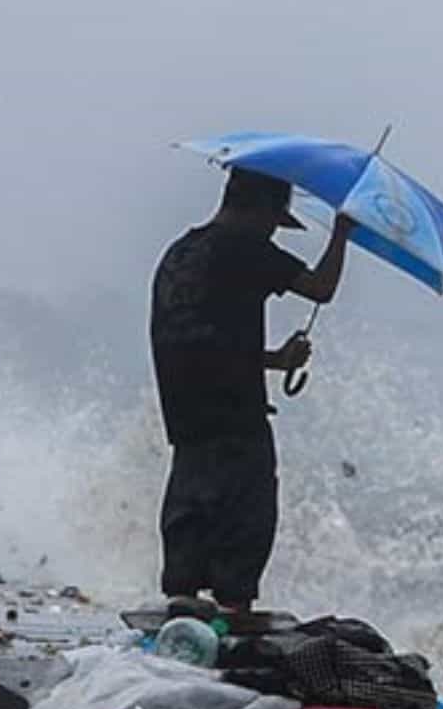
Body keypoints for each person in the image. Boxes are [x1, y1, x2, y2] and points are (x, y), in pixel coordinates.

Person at [149, 167, 354, 614]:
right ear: (260, 208)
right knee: (242, 533)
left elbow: (201, 338)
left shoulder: (180, 253)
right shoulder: (245, 249)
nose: (271, 231)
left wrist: (276, 360)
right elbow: (321, 289)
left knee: (188, 531)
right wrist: (342, 233)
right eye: (273, 220)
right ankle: (231, 629)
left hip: (185, 418)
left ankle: (179, 625)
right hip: (237, 421)